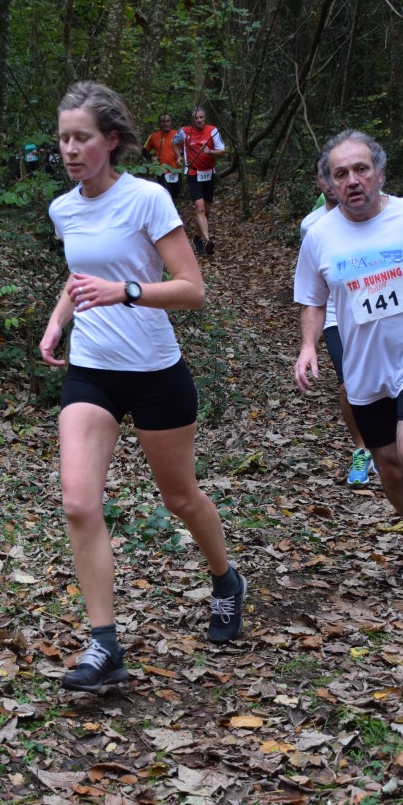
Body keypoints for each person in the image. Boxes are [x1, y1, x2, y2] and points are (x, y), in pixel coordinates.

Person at [39, 81, 247, 692]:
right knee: (79, 503)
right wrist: (58, 321)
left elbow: (192, 289)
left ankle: (226, 579)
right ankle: (104, 645)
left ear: (111, 140)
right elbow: (80, 276)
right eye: (63, 138)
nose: (70, 149)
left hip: (156, 372)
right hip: (92, 372)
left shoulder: (148, 199)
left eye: (81, 138)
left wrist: (126, 291)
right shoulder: (63, 209)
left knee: (180, 498)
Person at [294, 129, 403, 583]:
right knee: (389, 469)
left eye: (361, 169)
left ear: (379, 173)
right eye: (341, 174)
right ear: (329, 184)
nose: (352, 180)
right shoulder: (319, 235)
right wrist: (309, 346)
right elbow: (312, 299)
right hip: (364, 367)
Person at [300, 153, 376, 487]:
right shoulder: (312, 226)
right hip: (336, 315)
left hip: (378, 309)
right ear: (320, 181)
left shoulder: (376, 213)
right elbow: (313, 282)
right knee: (348, 383)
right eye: (328, 175)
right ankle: (361, 449)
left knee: (387, 380)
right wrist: (308, 342)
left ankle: (390, 445)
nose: (335, 182)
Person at [173, 107, 225, 256]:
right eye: (196, 118)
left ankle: (197, 237)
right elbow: (174, 142)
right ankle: (208, 240)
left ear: (205, 118)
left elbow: (222, 151)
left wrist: (211, 151)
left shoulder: (212, 131)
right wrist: (178, 156)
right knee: (200, 208)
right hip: (193, 173)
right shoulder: (185, 132)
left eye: (201, 117)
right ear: (192, 119)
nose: (199, 120)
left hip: (209, 173)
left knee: (206, 211)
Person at [143, 113, 182, 205]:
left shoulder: (177, 134)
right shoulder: (154, 136)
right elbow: (144, 151)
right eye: (163, 122)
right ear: (159, 123)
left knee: (176, 196)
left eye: (168, 121)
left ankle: (173, 211)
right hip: (162, 171)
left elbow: (186, 148)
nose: (166, 124)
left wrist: (181, 158)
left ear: (171, 122)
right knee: (166, 196)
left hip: (176, 170)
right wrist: (151, 158)